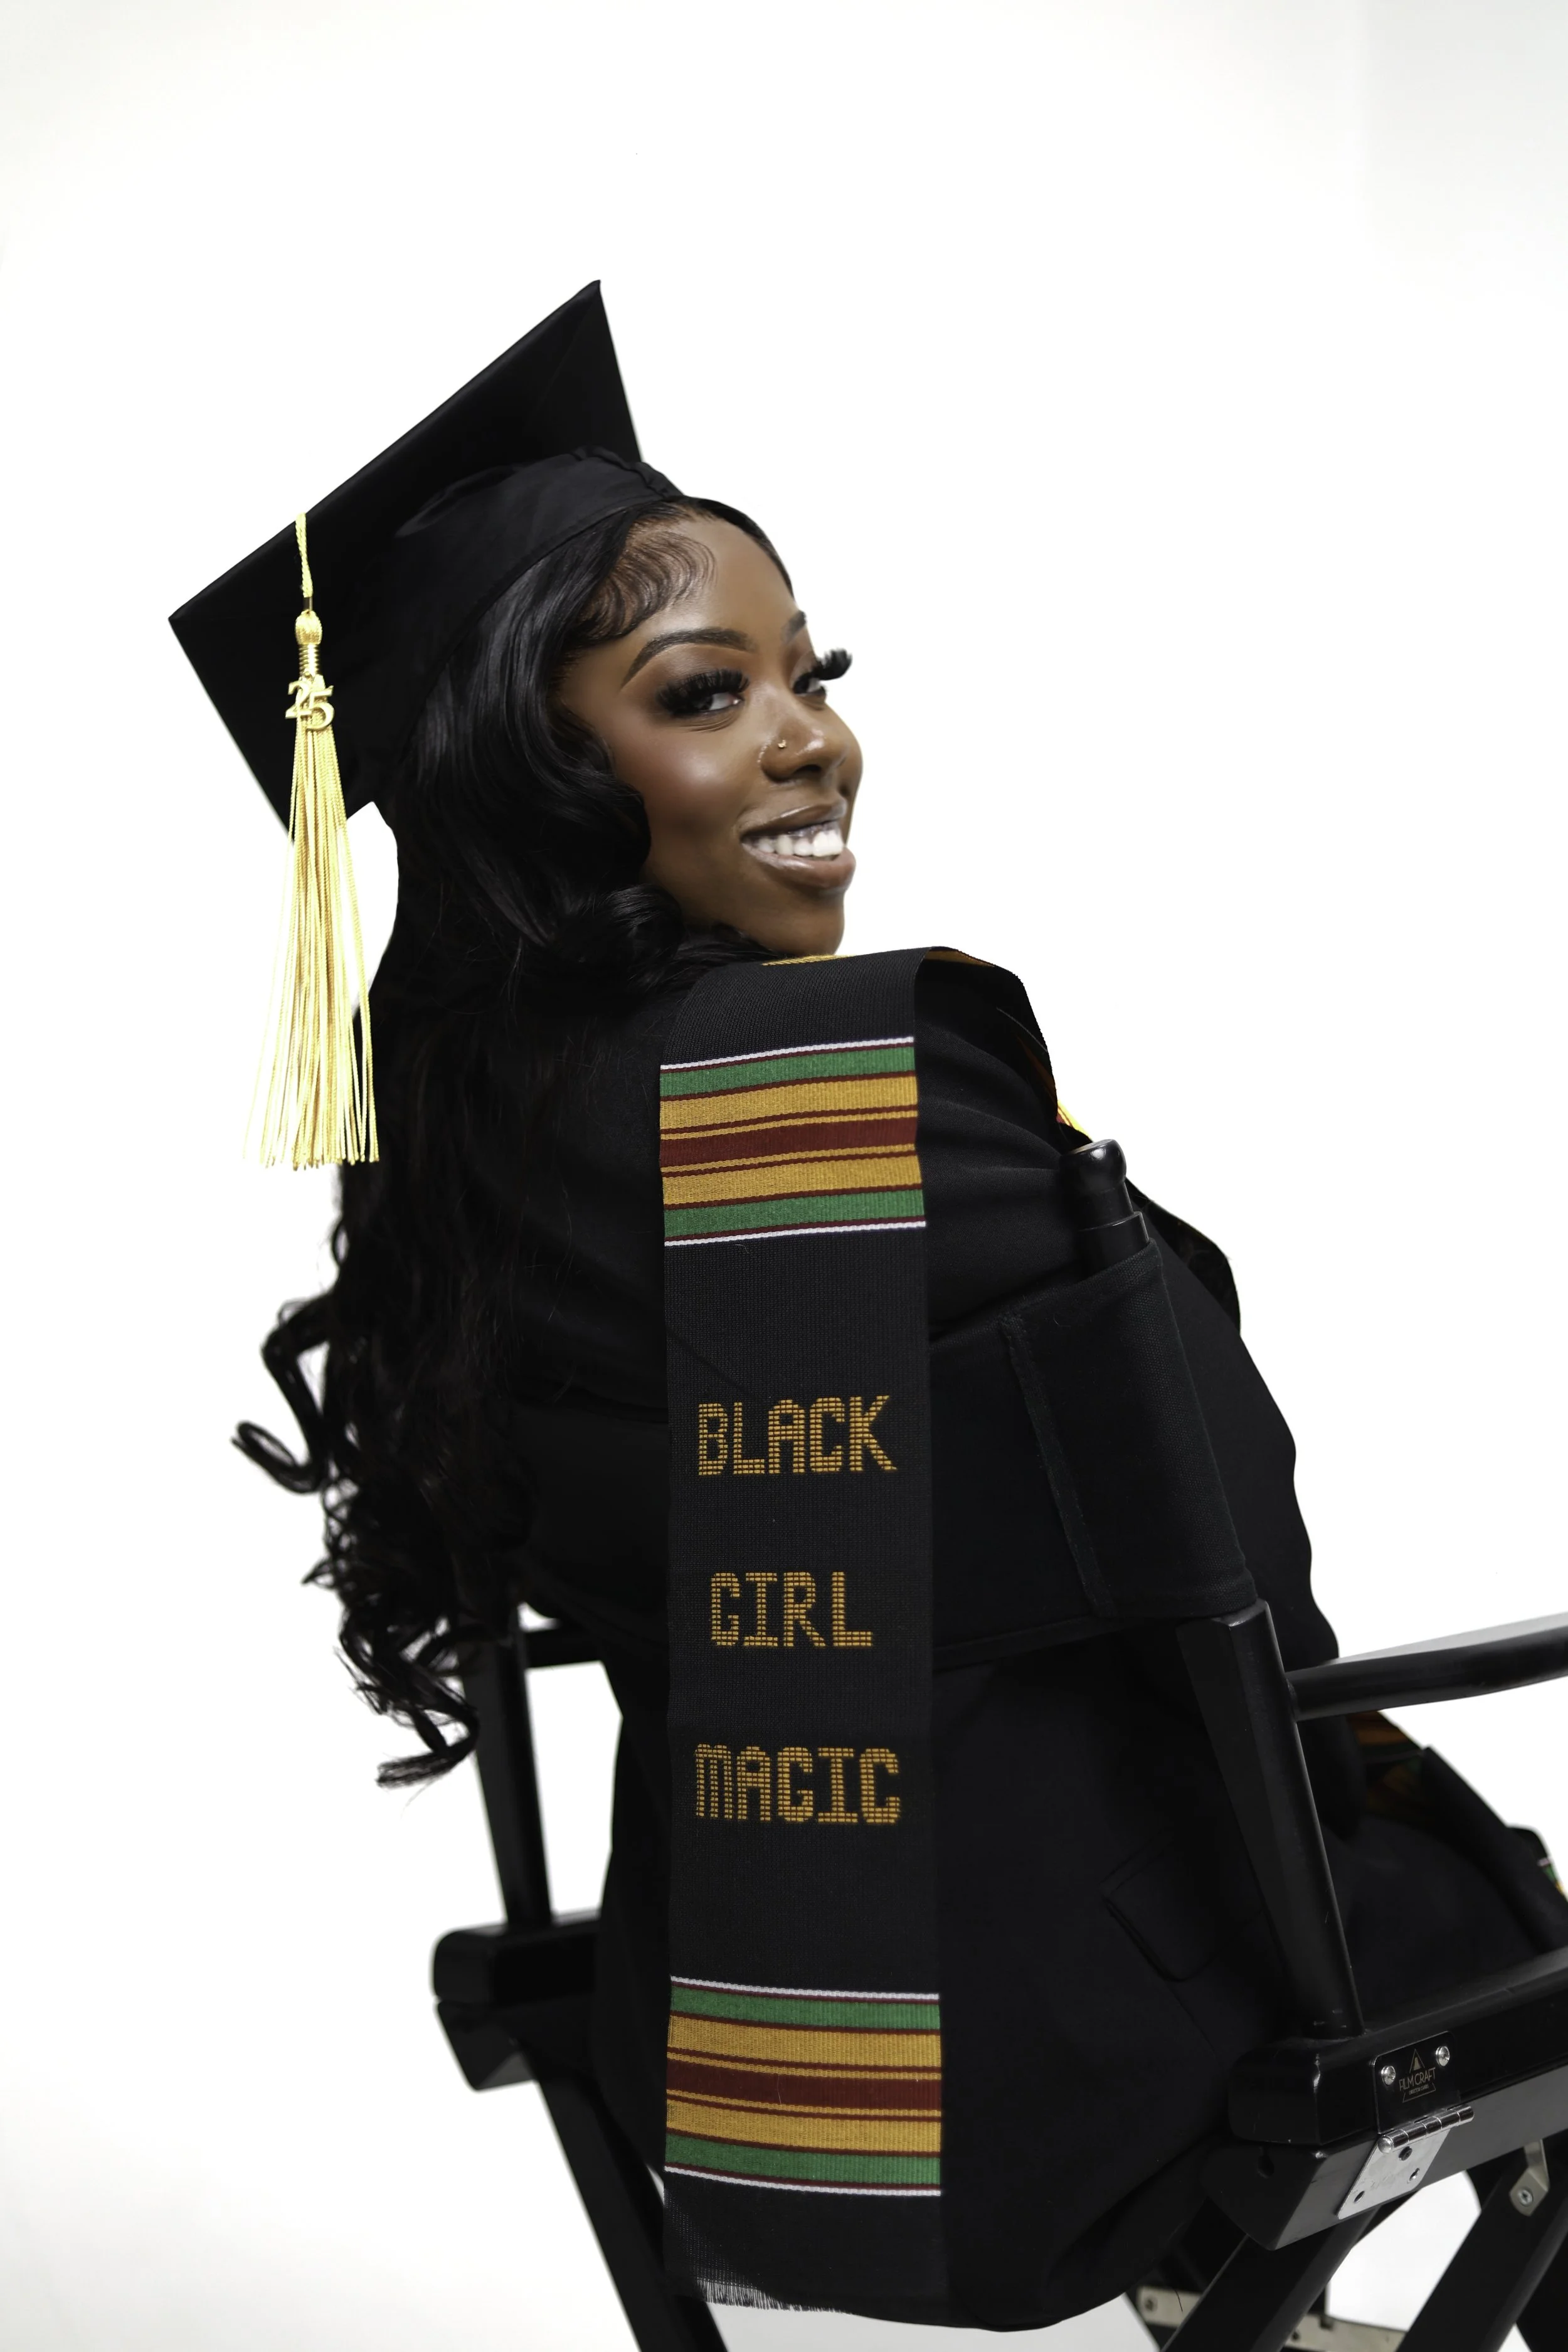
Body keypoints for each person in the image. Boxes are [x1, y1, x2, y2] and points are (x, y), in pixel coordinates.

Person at [174, 285, 1568, 2334]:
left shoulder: (444, 1159)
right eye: (703, 690)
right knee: (1473, 1893)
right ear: (532, 765)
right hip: (1079, 2056)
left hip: (737, 2062)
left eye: (808, 673)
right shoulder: (858, 1077)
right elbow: (1239, 1538)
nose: (809, 732)